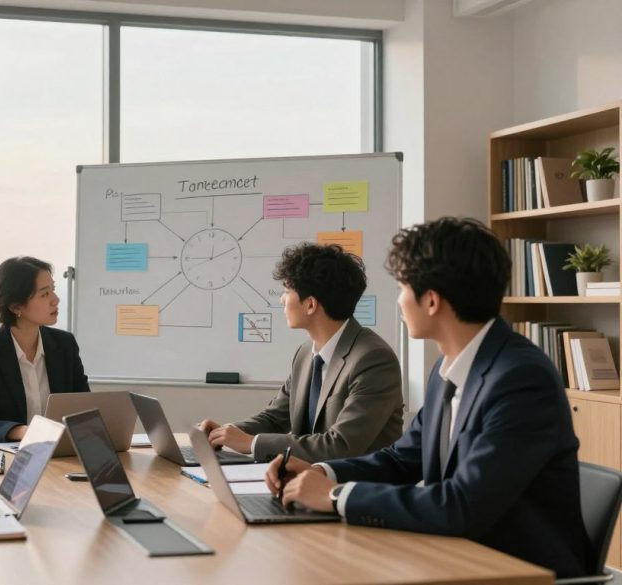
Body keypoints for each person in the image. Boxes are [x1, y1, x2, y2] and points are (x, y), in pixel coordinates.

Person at [271, 217, 593, 578]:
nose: (398, 302)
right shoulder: (449, 368)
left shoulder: (521, 379)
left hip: (516, 571)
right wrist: (321, 471)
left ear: (432, 301)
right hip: (455, 556)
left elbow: (462, 504)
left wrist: (335, 496)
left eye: (402, 288)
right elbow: (403, 459)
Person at [197, 243, 403, 462]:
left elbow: (340, 445)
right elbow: (276, 417)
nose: (282, 300)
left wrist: (250, 443)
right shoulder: (306, 353)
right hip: (305, 479)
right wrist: (224, 433)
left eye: (287, 291)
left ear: (311, 305)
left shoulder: (373, 360)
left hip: (355, 488)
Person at [0, 256, 90, 442]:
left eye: (53, 289)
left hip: (62, 454)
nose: (56, 299)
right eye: (44, 294)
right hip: (12, 456)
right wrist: (23, 431)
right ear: (16, 306)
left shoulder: (65, 345)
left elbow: (84, 408)